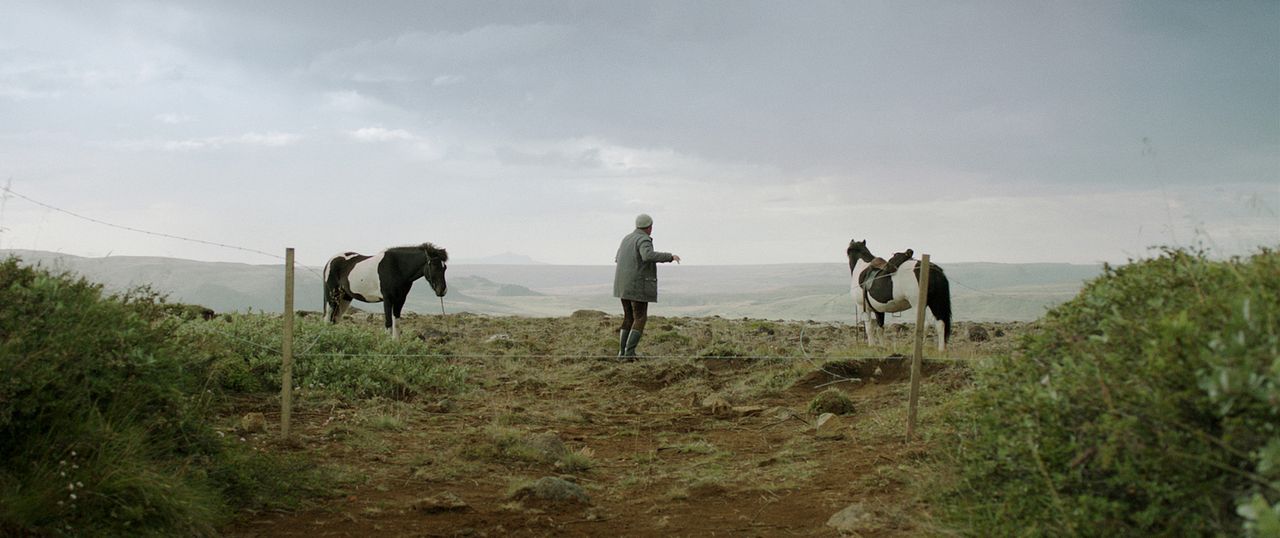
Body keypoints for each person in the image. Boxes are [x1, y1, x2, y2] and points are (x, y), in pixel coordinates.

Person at [613, 213, 680, 358]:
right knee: (640, 318)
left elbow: (617, 258)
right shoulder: (643, 239)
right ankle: (629, 354)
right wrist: (670, 257)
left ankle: (621, 353)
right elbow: (647, 255)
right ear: (649, 227)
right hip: (637, 287)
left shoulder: (626, 239)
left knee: (628, 317)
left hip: (622, 286)